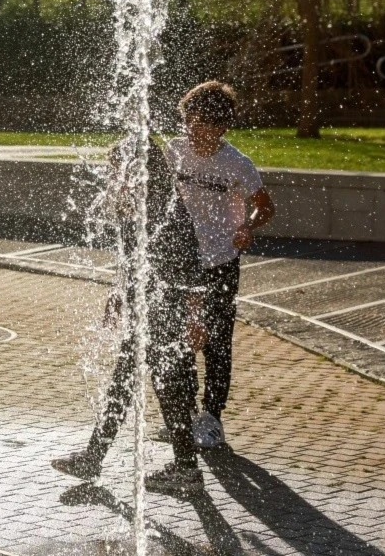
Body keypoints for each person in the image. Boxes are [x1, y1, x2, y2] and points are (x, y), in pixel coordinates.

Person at [52, 139, 208, 494]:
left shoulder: (166, 208)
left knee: (166, 388)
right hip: (146, 309)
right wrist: (119, 292)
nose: (112, 175)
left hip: (166, 310)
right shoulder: (131, 207)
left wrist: (194, 319)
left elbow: (192, 268)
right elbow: (132, 260)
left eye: (117, 167)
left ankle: (184, 470)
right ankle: (96, 457)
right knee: (129, 384)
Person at [165, 82, 275, 449]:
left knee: (216, 341)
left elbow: (265, 206)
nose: (194, 132)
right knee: (178, 336)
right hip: (181, 259)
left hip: (221, 261)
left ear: (222, 126)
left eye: (204, 125)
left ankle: (211, 417)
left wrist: (248, 225)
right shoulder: (173, 151)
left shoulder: (237, 163)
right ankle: (181, 415)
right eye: (190, 122)